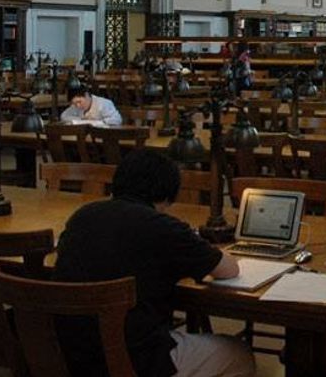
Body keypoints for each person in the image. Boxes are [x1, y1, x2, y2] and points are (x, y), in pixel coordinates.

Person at [54, 149, 255, 377]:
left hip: (71, 356)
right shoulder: (163, 226)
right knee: (239, 354)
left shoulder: (81, 216)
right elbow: (228, 269)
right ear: (167, 195)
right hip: (136, 362)